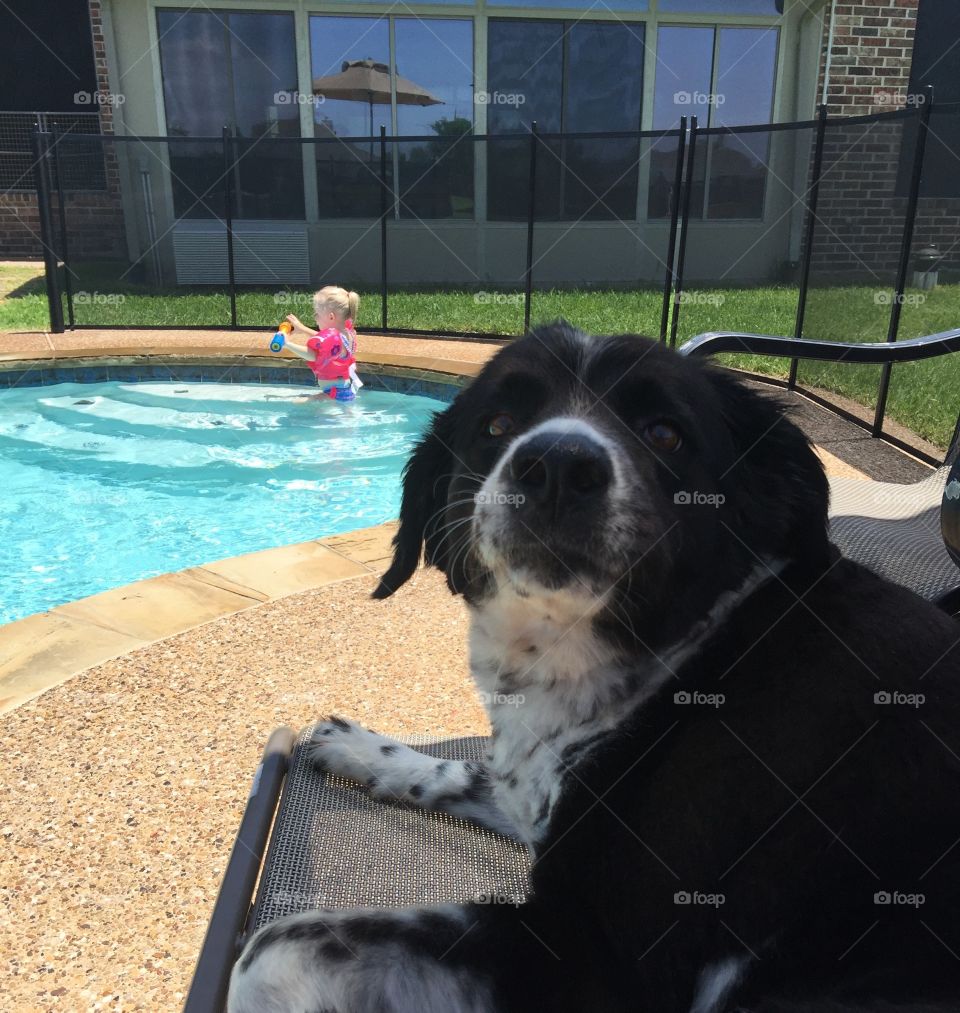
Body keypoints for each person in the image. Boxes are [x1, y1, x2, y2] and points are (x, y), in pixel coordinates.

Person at [282, 287, 362, 398]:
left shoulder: (334, 338)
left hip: (332, 395)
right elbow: (325, 342)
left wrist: (287, 344)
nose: (315, 317)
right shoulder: (347, 333)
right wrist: (302, 328)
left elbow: (313, 355)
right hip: (343, 389)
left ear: (331, 317)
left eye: (317, 314)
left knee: (297, 404)